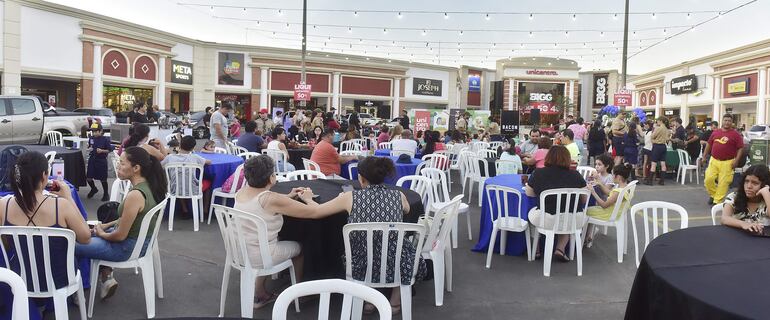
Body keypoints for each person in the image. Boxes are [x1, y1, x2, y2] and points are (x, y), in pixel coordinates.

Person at [307, 156, 424, 313]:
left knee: (366, 249)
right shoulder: (399, 196)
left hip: (360, 262)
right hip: (395, 261)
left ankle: (369, 299)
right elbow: (407, 210)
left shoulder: (349, 198)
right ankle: (395, 301)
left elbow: (316, 212)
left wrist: (307, 198)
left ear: (361, 179)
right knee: (401, 250)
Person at [232, 155, 339, 307]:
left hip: (239, 249)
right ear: (271, 178)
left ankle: (260, 292)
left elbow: (267, 202)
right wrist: (308, 198)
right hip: (261, 255)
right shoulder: (271, 199)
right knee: (300, 248)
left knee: (271, 241)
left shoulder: (241, 192)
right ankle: (298, 293)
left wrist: (288, 197)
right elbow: (315, 213)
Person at [76, 146, 167, 300]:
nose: (118, 166)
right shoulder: (148, 186)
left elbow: (119, 236)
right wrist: (103, 226)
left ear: (136, 168)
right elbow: (128, 219)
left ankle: (76, 289)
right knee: (83, 236)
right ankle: (93, 281)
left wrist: (101, 233)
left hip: (126, 248)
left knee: (71, 245)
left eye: (122, 163)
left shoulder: (135, 195)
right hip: (137, 244)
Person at [0, 152, 91, 306]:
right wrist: (68, 197)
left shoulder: (4, 205)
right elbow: (85, 238)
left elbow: (6, 243)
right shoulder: (61, 206)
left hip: (21, 276)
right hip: (59, 277)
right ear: (44, 176)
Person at [525, 146, 588, 261]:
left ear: (548, 157)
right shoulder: (576, 175)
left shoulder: (538, 173)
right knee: (566, 216)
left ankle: (537, 249)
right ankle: (560, 248)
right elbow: (584, 199)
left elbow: (529, 194)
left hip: (547, 218)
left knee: (530, 215)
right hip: (573, 219)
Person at [584, 163, 634, 247]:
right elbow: (610, 193)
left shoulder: (617, 192)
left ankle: (585, 236)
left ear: (618, 177)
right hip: (616, 213)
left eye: (613, 174)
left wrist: (593, 192)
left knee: (584, 211)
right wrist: (600, 183)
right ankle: (589, 233)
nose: (612, 176)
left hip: (608, 214)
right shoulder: (625, 188)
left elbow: (604, 205)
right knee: (590, 209)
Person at [703, 114, 745, 204]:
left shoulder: (736, 134)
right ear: (722, 121)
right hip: (714, 160)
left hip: (728, 162)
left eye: (729, 121)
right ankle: (713, 194)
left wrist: (736, 160)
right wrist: (704, 156)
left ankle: (717, 201)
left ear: (732, 122)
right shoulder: (715, 132)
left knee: (723, 183)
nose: (727, 122)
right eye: (725, 120)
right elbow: (709, 144)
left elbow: (741, 148)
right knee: (708, 179)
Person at [721, 164, 770, 234]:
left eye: (755, 183)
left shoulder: (767, 199)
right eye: (746, 181)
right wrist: (744, 224)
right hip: (737, 239)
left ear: (764, 185)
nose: (749, 186)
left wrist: (766, 192)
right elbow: (724, 219)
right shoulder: (734, 197)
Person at [86, 123, 114, 201]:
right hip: (92, 159)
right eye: (93, 131)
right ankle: (94, 188)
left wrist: (102, 151)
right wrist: (89, 147)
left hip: (101, 160)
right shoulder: (91, 138)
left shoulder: (105, 139)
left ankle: (106, 193)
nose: (94, 133)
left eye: (96, 131)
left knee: (103, 178)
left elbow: (109, 150)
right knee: (88, 177)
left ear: (101, 131)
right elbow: (90, 146)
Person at [646, 117, 670, 186]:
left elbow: (652, 136)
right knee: (663, 163)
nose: (657, 122)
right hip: (663, 146)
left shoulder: (658, 128)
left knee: (654, 163)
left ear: (661, 121)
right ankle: (662, 181)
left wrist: (653, 141)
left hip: (657, 146)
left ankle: (650, 181)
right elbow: (667, 139)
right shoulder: (667, 129)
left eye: (657, 121)